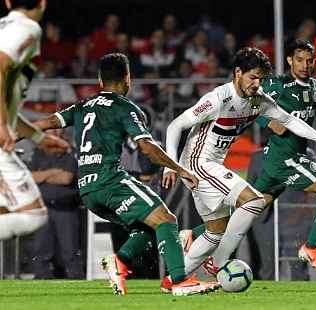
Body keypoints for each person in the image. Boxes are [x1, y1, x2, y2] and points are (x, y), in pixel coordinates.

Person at [32, 53, 218, 296]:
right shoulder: (125, 108)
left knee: (149, 227)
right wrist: (180, 169)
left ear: (100, 79)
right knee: (166, 219)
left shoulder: (82, 105)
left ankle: (119, 262)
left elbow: (47, 122)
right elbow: (147, 148)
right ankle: (180, 281)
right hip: (110, 181)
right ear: (128, 79)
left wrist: (13, 134)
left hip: (87, 190)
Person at [162, 47, 316, 281]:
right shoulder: (218, 99)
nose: (257, 84)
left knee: (216, 231)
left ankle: (175, 279)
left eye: (261, 79)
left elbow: (289, 121)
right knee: (254, 200)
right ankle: (219, 264)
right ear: (238, 72)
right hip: (197, 163)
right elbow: (175, 125)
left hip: (212, 164)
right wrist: (171, 165)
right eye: (253, 77)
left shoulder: (259, 101)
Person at [0, 0, 69, 240]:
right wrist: (1, 126)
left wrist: (38, 137)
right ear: (42, 3)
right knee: (32, 215)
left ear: (8, 2)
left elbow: (7, 108)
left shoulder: (4, 27)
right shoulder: (27, 27)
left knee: (7, 210)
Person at [29, 128, 83, 279]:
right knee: (41, 250)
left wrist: (43, 176)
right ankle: (41, 280)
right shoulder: (37, 154)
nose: (56, 136)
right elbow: (31, 177)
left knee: (69, 250)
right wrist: (53, 172)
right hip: (44, 210)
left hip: (66, 210)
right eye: (52, 133)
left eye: (58, 133)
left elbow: (66, 178)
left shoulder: (70, 154)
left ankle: (75, 281)